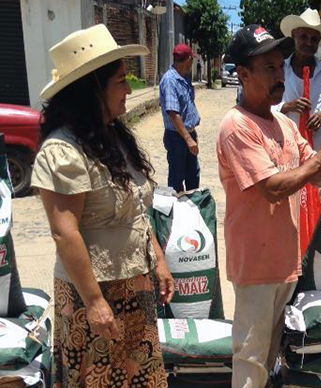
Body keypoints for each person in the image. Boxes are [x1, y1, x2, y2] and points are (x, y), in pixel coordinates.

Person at [32, 24, 174, 387]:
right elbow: (65, 234)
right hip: (93, 295)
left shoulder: (113, 138)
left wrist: (157, 260)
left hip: (133, 285)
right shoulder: (63, 151)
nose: (129, 89)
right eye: (120, 81)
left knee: (137, 378)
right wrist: (94, 302)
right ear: (91, 90)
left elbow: (137, 211)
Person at [217, 25, 321, 388]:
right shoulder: (237, 126)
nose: (280, 75)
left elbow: (313, 174)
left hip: (284, 262)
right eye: (269, 68)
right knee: (250, 359)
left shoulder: (281, 122)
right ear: (244, 74)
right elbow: (274, 188)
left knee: (269, 356)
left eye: (281, 67)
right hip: (255, 266)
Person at [277, 8, 321, 150]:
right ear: (294, 36)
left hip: (317, 148)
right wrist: (286, 106)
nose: (309, 43)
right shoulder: (279, 70)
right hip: (285, 146)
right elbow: (264, 106)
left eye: (314, 39)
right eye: (303, 37)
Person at [159, 43, 201, 192]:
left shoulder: (185, 78)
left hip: (187, 134)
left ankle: (191, 209)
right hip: (177, 137)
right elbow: (172, 113)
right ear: (189, 59)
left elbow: (187, 103)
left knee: (193, 176)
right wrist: (188, 139)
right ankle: (177, 212)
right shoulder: (170, 80)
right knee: (177, 180)